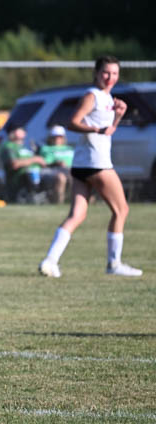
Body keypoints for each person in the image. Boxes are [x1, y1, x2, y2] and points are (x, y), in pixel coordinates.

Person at [39, 56, 141, 277]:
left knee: (77, 214)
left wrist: (117, 117)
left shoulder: (107, 97)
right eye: (106, 72)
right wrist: (95, 130)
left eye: (114, 73)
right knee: (121, 209)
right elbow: (73, 122)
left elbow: (107, 131)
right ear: (96, 73)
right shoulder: (92, 95)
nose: (110, 77)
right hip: (97, 163)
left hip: (82, 163)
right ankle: (114, 265)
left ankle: (50, 261)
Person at [0, 124, 48, 201]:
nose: (24, 131)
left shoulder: (25, 147)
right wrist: (35, 159)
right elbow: (14, 164)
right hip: (19, 179)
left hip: (38, 175)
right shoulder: (8, 146)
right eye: (20, 129)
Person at [37, 125, 74, 204]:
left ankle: (73, 201)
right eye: (55, 137)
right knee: (61, 177)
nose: (57, 139)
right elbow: (44, 163)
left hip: (69, 169)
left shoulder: (69, 148)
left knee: (76, 176)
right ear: (50, 137)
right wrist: (56, 162)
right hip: (52, 170)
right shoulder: (46, 148)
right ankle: (59, 202)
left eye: (60, 137)